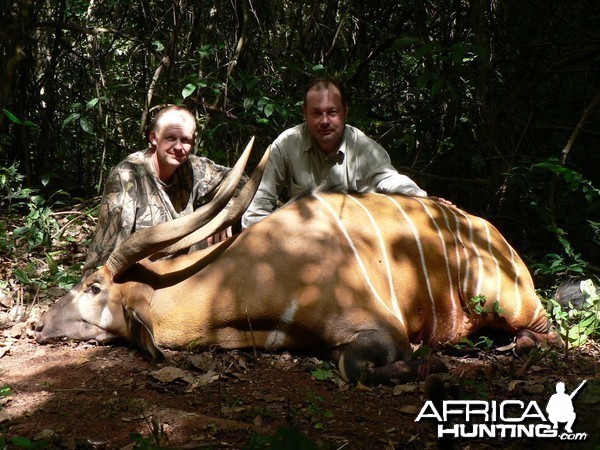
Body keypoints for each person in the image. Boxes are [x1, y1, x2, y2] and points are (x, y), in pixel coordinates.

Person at [242, 78, 434, 229]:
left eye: (332, 112)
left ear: (345, 112)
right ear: (305, 113)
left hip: (353, 244)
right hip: (301, 242)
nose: (324, 121)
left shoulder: (365, 149)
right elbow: (257, 209)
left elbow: (389, 179)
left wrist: (422, 199)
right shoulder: (286, 144)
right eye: (316, 113)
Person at [83, 105, 237, 276]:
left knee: (223, 222)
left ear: (193, 142)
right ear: (153, 138)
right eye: (170, 138)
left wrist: (225, 211)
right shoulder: (127, 177)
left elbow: (239, 180)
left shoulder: (192, 167)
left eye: (185, 140)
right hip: (139, 278)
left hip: (180, 269)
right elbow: (105, 257)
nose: (178, 147)